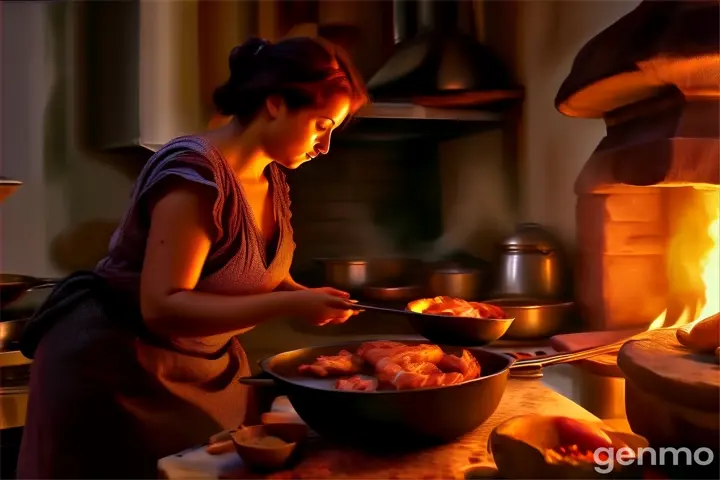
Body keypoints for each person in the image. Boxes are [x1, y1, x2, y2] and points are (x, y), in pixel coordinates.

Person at [17, 36, 369, 479]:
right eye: (321, 124)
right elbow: (163, 306)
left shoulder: (271, 177)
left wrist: (305, 292)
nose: (325, 146)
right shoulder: (196, 174)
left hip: (202, 369)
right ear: (276, 104)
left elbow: (252, 273)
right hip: (119, 373)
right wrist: (292, 304)